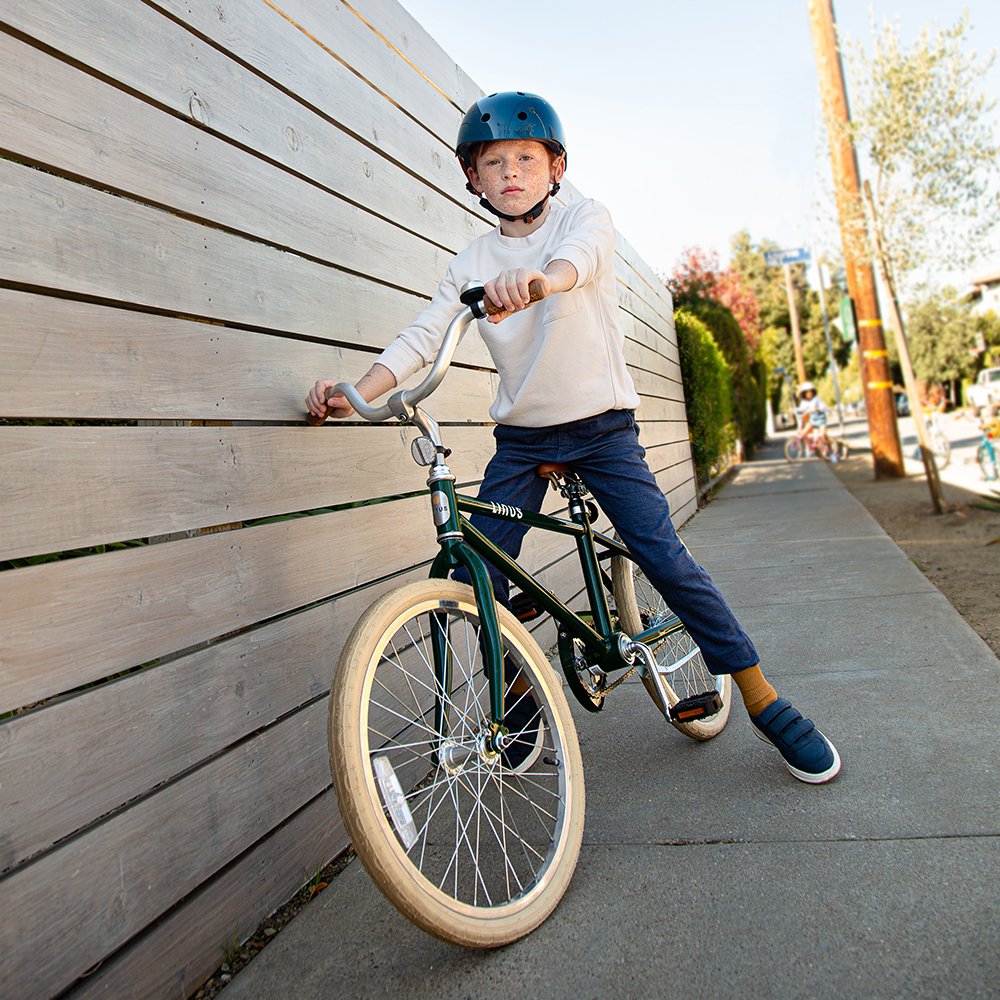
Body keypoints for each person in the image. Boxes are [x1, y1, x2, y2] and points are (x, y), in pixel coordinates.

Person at [306, 92, 840, 784]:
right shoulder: (469, 262)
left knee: (664, 556)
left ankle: (767, 701)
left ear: (555, 168)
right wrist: (356, 395)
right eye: (492, 162)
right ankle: (521, 695)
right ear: (472, 179)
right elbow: (423, 335)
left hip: (601, 429)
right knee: (480, 576)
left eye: (526, 158)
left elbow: (578, 262)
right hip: (524, 439)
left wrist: (538, 280)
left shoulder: (583, 221)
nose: (510, 173)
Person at [795, 381, 836, 461]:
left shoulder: (817, 399)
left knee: (823, 435)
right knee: (803, 433)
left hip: (821, 419)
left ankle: (831, 450)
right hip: (813, 420)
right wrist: (797, 411)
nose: (809, 394)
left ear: (813, 392)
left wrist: (818, 409)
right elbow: (801, 409)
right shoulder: (805, 402)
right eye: (807, 393)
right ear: (804, 394)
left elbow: (823, 407)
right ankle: (811, 448)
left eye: (810, 392)